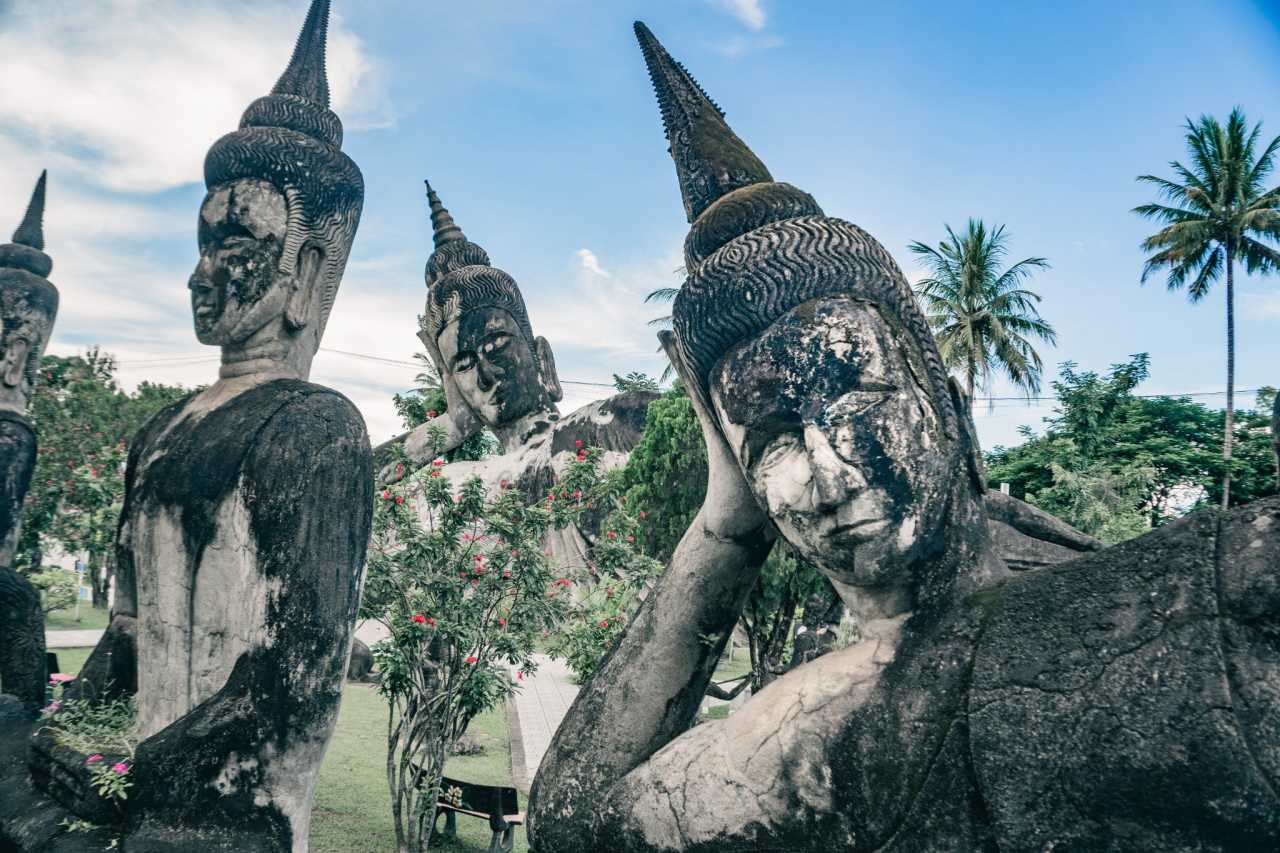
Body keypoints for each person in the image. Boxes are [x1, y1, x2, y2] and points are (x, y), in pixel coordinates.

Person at [527, 23, 1280, 852]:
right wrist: (725, 522)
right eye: (773, 441)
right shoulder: (811, 738)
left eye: (853, 394)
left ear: (950, 411)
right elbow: (571, 823)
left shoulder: (1190, 589)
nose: (826, 468)